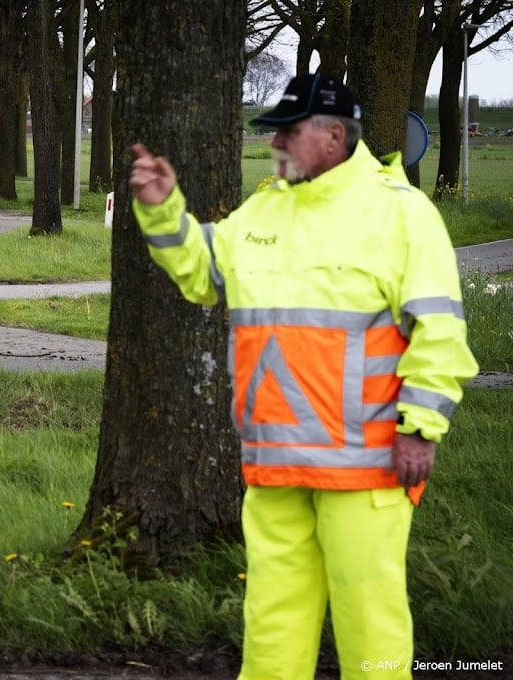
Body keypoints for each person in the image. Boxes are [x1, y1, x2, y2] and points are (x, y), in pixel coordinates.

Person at [129, 73, 478, 679]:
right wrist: (163, 210)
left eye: (287, 133)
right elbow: (202, 271)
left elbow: (440, 331)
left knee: (370, 626)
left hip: (367, 467)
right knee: (272, 626)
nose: (275, 145)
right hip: (275, 465)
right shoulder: (266, 208)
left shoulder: (400, 214)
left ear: (334, 135)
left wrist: (420, 428)